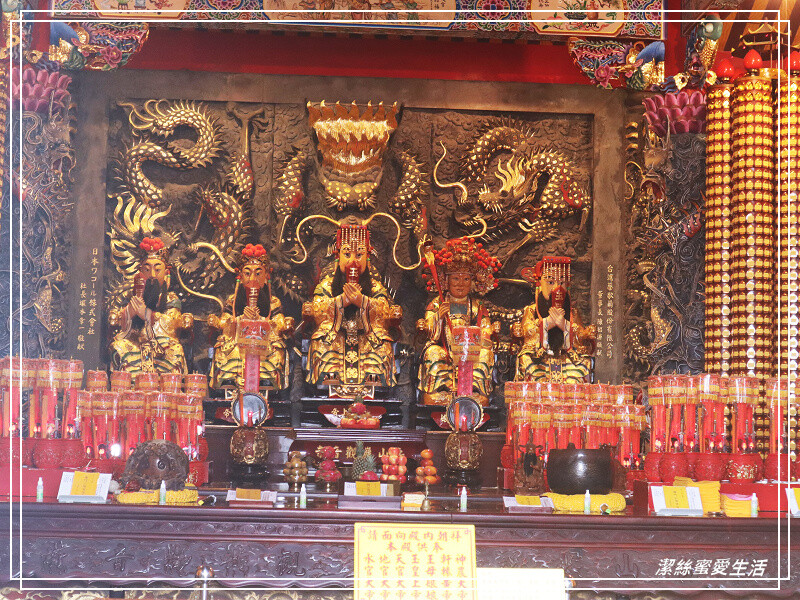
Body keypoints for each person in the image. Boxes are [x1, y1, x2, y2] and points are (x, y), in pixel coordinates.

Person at [303, 218, 401, 389]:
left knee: (382, 341)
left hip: (366, 339)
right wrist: (341, 301)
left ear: (367, 257)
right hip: (336, 338)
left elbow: (384, 312)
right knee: (320, 340)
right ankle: (329, 377)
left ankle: (373, 379)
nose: (353, 261)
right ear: (337, 256)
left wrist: (362, 301)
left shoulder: (375, 286)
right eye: (347, 254)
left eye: (359, 255)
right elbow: (318, 310)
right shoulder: (326, 285)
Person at [417, 237, 499, 406]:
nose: (461, 284)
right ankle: (441, 392)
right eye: (455, 279)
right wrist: (438, 318)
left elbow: (485, 331)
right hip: (445, 351)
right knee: (433, 352)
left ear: (473, 283)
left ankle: (475, 392)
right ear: (446, 281)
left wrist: (483, 337)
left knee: (485, 354)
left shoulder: (477, 306)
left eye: (466, 279)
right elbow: (430, 334)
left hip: (471, 353)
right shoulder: (437, 304)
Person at [208, 244, 294, 390]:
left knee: (275, 348)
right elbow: (224, 323)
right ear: (240, 277)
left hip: (264, 344)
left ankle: (266, 378)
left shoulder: (273, 301)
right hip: (238, 344)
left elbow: (278, 324)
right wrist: (240, 318)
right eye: (247, 273)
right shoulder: (233, 300)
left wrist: (261, 321)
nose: (252, 278)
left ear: (267, 276)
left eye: (258, 273)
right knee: (225, 347)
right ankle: (229, 378)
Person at [109, 237, 192, 374]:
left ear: (166, 274)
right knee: (118, 346)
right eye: (147, 270)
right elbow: (118, 324)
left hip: (162, 346)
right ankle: (128, 385)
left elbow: (171, 324)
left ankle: (169, 389)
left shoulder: (171, 298)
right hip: (135, 345)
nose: (152, 275)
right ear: (140, 273)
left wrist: (146, 314)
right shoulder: (132, 296)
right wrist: (128, 312)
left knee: (176, 350)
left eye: (157, 270)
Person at [514, 256, 595, 383]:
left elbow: (579, 335)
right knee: (526, 359)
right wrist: (548, 323)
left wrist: (564, 324)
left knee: (584, 361)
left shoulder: (572, 312)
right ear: (540, 284)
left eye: (561, 282)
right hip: (540, 357)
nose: (557, 288)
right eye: (551, 282)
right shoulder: (532, 310)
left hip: (567, 357)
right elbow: (528, 331)